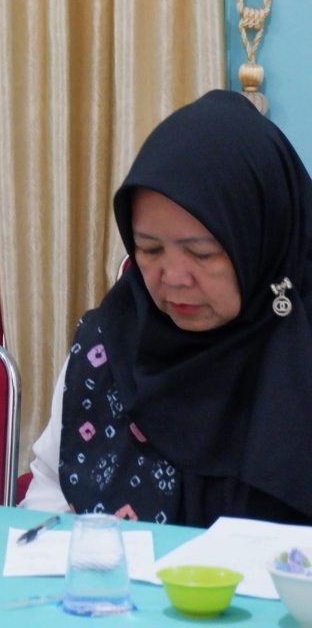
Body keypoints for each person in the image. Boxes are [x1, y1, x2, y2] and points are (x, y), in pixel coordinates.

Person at [21, 90, 312, 526]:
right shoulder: (108, 344)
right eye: (149, 249)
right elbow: (49, 490)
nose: (173, 277)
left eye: (202, 253)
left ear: (263, 242)